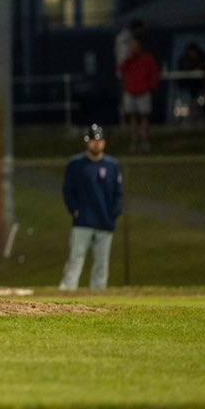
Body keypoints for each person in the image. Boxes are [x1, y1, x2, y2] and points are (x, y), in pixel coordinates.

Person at [59, 124, 123, 290]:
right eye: (92, 141)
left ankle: (98, 297)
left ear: (104, 142)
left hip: (104, 221)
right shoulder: (76, 164)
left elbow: (118, 193)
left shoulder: (112, 166)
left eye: (98, 140)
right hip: (83, 221)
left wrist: (113, 214)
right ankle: (66, 293)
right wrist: (74, 210)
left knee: (102, 264)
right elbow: (68, 191)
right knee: (75, 259)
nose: (95, 144)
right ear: (87, 142)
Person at [118, 34, 159, 151]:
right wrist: (129, 58)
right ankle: (134, 140)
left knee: (144, 117)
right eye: (132, 45)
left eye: (135, 45)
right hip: (130, 91)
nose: (133, 47)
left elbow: (154, 73)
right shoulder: (129, 59)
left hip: (143, 91)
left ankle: (145, 140)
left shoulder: (147, 59)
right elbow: (121, 70)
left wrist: (152, 86)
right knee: (132, 117)